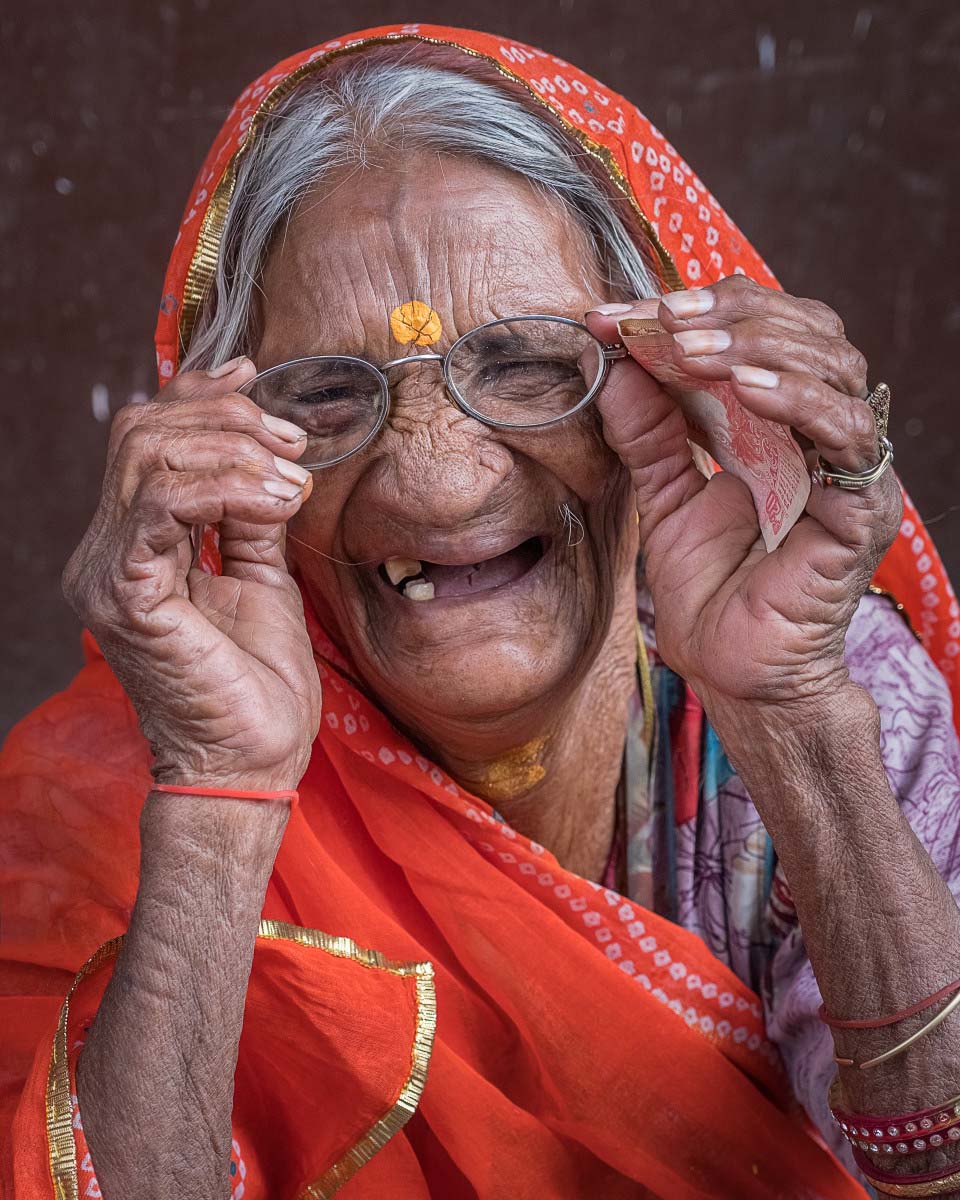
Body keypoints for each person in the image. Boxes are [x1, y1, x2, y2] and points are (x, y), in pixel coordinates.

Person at [3, 23, 960, 1200]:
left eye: (525, 366)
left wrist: (803, 727)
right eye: (327, 395)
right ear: (228, 458)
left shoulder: (825, 681)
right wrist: (216, 791)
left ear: (664, 382)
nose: (437, 479)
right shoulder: (123, 790)